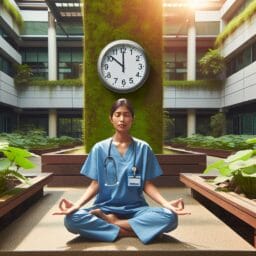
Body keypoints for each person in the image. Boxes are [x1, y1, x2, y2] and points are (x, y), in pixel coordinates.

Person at [53, 98, 190, 244]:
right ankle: (133, 231)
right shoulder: (100, 149)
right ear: (111, 119)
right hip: (104, 208)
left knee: (170, 217)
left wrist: (167, 204)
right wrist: (76, 205)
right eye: (117, 114)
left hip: (136, 210)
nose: (122, 119)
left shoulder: (143, 148)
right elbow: (96, 184)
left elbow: (146, 184)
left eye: (126, 115)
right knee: (71, 219)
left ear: (133, 118)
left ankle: (114, 224)